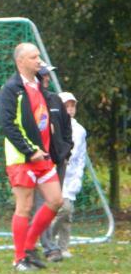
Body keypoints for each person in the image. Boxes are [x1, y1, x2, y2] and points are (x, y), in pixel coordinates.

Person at [0, 43, 63, 272]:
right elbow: (8, 124)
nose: (39, 61)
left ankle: (28, 246)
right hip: (22, 158)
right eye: (33, 57)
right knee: (24, 206)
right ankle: (19, 259)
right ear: (20, 62)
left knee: (56, 200)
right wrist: (30, 151)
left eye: (38, 56)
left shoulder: (39, 85)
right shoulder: (11, 89)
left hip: (42, 156)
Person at [32, 63, 73, 262]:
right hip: (39, 162)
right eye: (44, 74)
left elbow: (66, 128)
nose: (47, 78)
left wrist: (66, 151)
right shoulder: (31, 101)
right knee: (41, 205)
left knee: (55, 204)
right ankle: (48, 247)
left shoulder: (55, 99)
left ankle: (42, 243)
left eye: (48, 74)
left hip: (58, 161)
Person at [52, 92, 87, 258]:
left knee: (68, 214)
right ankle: (48, 239)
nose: (70, 109)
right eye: (67, 106)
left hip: (70, 177)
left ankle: (63, 247)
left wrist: (78, 177)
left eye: (73, 105)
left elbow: (80, 157)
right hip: (56, 176)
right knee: (63, 209)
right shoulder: (54, 126)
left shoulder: (80, 130)